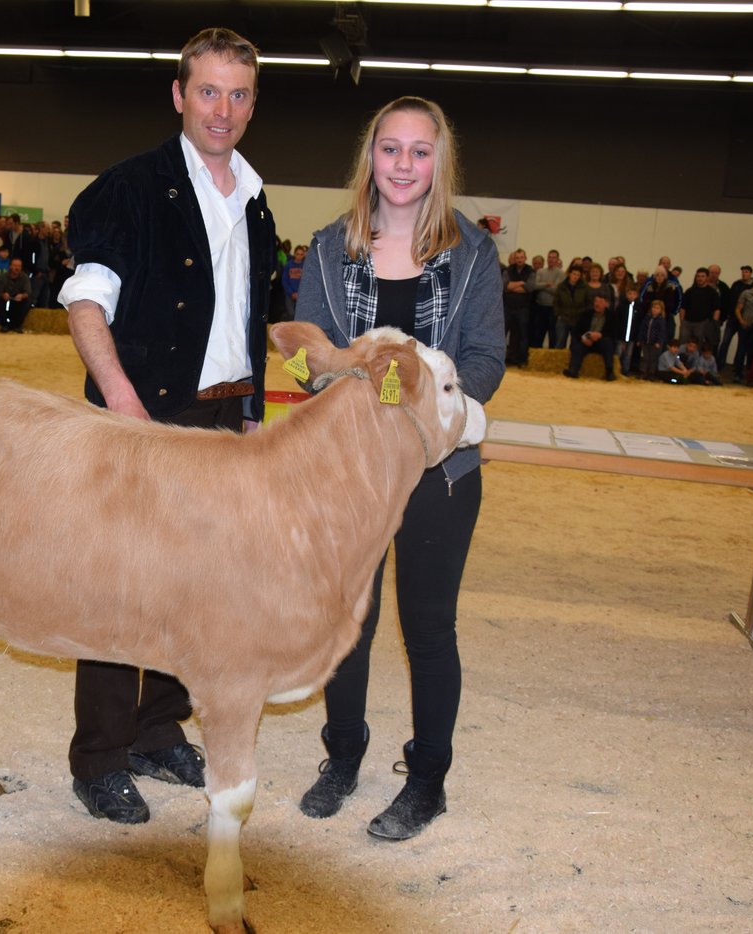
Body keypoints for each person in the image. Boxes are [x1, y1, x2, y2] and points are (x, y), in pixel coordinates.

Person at [57, 27, 276, 824]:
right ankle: (99, 757)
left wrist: (249, 412)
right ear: (180, 95)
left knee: (201, 591)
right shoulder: (130, 188)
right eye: (208, 91)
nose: (223, 109)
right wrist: (119, 399)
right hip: (143, 415)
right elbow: (87, 302)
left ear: (252, 103)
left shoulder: (254, 198)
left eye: (238, 94)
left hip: (223, 414)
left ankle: (157, 730)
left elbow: (249, 318)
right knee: (121, 591)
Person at [292, 95, 504, 841]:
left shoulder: (473, 252)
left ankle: (428, 779)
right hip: (349, 472)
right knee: (349, 618)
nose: (404, 164)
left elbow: (487, 359)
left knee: (429, 626)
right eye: (391, 148)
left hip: (440, 471)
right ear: (371, 156)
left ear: (439, 161)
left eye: (420, 151)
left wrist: (421, 397)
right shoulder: (329, 248)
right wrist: (331, 374)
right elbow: (301, 360)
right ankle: (343, 755)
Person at [563, 293, 616, 381]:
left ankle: (609, 372)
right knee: (577, 345)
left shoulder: (612, 316)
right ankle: (573, 370)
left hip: (601, 342)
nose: (597, 304)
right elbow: (576, 331)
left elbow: (614, 332)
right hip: (586, 341)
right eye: (596, 301)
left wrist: (601, 335)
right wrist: (583, 338)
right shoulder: (586, 314)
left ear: (607, 304)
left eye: (600, 302)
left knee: (608, 343)